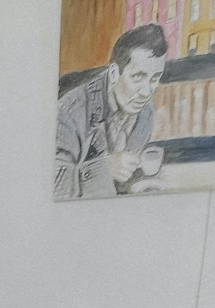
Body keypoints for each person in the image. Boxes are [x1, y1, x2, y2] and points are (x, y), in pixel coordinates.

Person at [54, 24, 167, 201]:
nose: (146, 91)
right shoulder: (69, 111)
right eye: (138, 77)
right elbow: (54, 186)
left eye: (154, 78)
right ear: (114, 73)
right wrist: (105, 169)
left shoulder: (145, 113)